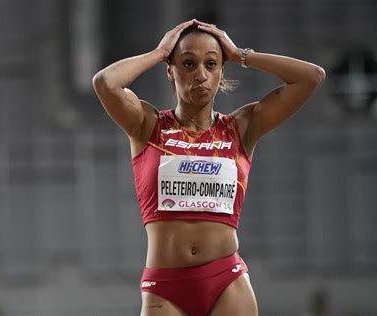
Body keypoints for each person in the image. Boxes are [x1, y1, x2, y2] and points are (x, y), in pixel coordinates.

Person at [93, 19, 325, 316]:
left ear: (221, 71)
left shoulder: (242, 128)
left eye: (211, 64)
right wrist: (159, 52)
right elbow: (105, 83)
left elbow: (312, 77)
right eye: (187, 64)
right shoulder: (146, 125)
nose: (200, 75)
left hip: (227, 282)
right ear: (170, 70)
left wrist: (240, 54)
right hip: (165, 286)